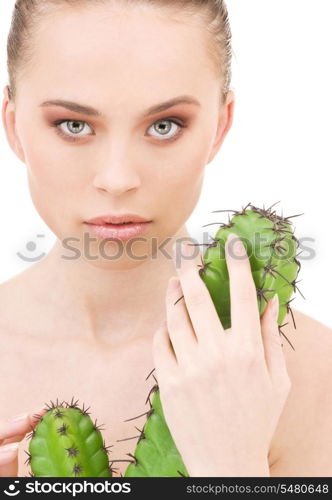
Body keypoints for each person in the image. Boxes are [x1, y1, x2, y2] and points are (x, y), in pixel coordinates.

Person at [0, 0, 331, 478]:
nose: (117, 178)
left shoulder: (315, 374)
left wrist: (231, 466)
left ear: (219, 125)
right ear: (14, 125)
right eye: (73, 125)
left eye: (164, 126)